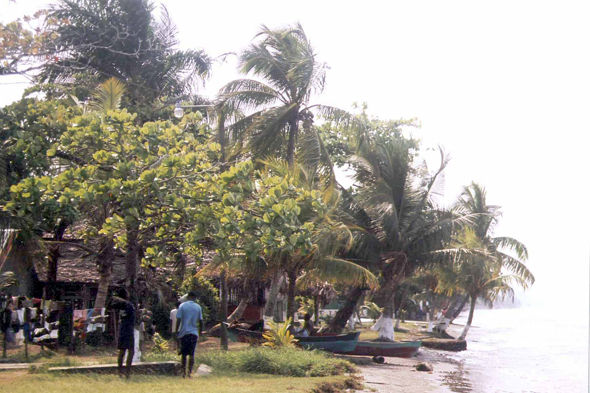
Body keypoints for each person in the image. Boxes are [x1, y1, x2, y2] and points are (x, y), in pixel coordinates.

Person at [175, 291, 203, 378]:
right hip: (194, 332)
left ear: (188, 297)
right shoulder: (198, 307)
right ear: (194, 298)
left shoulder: (182, 306)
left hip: (184, 333)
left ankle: (183, 373)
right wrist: (200, 332)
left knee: (183, 354)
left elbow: (178, 319)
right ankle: (189, 373)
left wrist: (176, 331)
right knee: (192, 354)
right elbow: (201, 321)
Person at [109, 295, 135, 379]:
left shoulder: (121, 308)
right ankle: (127, 372)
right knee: (131, 351)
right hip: (129, 330)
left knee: (122, 351)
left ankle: (120, 372)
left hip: (122, 330)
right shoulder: (129, 306)